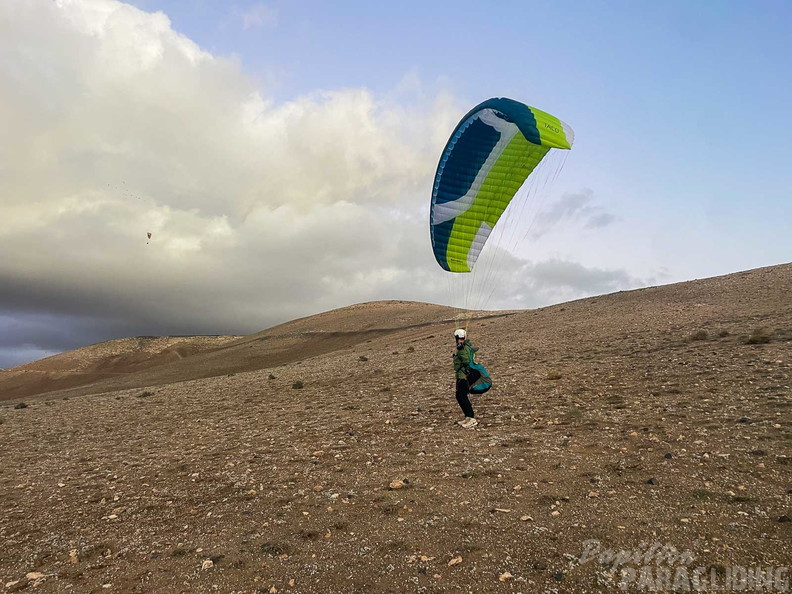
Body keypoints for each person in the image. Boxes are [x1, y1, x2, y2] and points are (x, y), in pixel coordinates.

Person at [452, 328, 480, 428]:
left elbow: (466, 362)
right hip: (462, 375)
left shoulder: (463, 349)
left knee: (461, 396)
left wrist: (457, 359)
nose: (459, 340)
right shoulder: (465, 347)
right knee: (459, 396)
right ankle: (468, 417)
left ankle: (471, 418)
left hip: (463, 376)